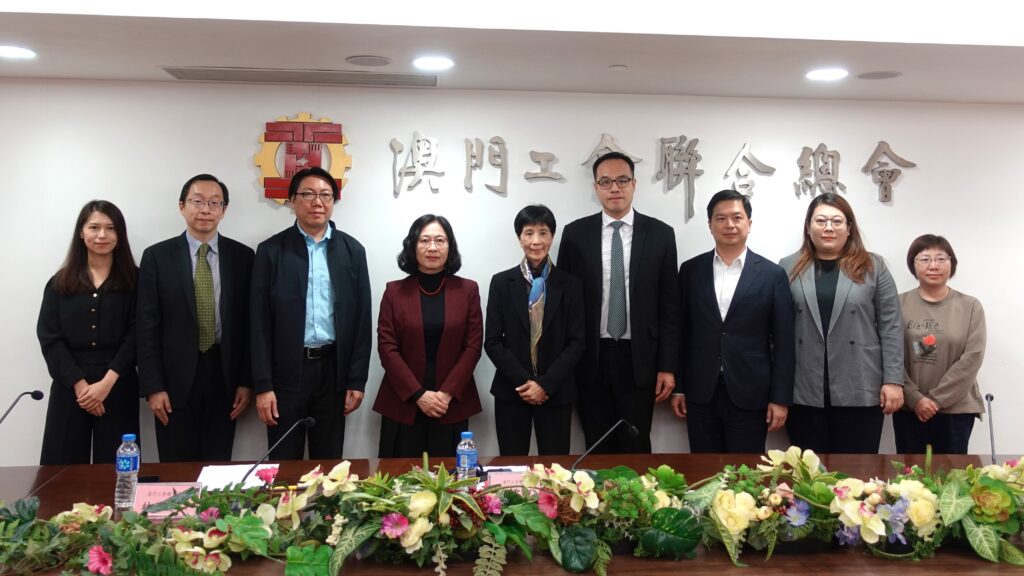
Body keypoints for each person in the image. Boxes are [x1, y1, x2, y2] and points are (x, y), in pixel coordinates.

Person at [558, 151, 680, 454]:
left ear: (634, 184)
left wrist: (667, 366)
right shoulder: (575, 234)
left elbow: (670, 307)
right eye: (606, 182)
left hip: (640, 358)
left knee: (636, 444)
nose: (614, 188)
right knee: (595, 446)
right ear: (596, 187)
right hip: (590, 357)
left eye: (622, 180)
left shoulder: (661, 234)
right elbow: (563, 305)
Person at [251, 166, 371, 460]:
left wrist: (356, 380)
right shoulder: (271, 251)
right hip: (285, 374)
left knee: (329, 465)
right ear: (292, 200)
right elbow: (258, 323)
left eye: (325, 195)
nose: (318, 202)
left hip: (333, 372)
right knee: (283, 464)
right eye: (308, 194)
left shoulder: (352, 251)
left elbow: (361, 321)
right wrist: (263, 385)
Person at [137, 174, 254, 462]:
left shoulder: (243, 257)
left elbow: (250, 326)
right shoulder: (157, 257)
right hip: (173, 382)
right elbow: (146, 327)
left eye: (214, 203)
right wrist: (153, 387)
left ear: (224, 210)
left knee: (218, 465)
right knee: (175, 468)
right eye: (197, 201)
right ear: (182, 206)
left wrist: (246, 381)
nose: (205, 209)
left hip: (225, 378)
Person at [779, 193, 904, 454]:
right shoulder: (788, 266)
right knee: (808, 471)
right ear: (808, 226)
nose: (828, 228)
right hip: (803, 388)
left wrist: (893, 380)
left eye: (836, 221)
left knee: (858, 470)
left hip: (860, 384)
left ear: (849, 228)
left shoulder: (873, 266)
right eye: (821, 221)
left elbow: (891, 325)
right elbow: (777, 330)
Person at [672, 190, 795, 453]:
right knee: (703, 470)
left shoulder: (772, 275)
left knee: (746, 471)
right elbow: (681, 332)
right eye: (721, 218)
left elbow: (784, 342)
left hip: (751, 393)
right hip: (700, 391)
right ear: (710, 225)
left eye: (737, 217)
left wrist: (780, 398)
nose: (729, 224)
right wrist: (679, 388)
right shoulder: (690, 270)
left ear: (749, 223)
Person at [37, 200, 139, 464]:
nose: (102, 235)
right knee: (61, 467)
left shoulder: (136, 280)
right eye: (94, 227)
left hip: (118, 382)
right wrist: (80, 386)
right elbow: (50, 337)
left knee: (118, 468)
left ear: (120, 234)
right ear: (81, 233)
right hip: (70, 385)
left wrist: (106, 383)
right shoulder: (60, 282)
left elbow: (137, 334)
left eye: (110, 228)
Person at [373, 215, 483, 458]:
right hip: (403, 402)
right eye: (424, 240)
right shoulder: (394, 291)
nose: (432, 247)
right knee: (400, 477)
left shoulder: (468, 290)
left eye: (440, 240)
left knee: (450, 477)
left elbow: (473, 346)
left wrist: (445, 394)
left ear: (449, 246)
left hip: (450, 404)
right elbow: (387, 348)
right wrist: (418, 394)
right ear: (413, 246)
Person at [485, 205, 585, 456]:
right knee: (511, 465)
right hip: (512, 390)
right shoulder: (501, 282)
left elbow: (577, 342)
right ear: (519, 238)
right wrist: (524, 383)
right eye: (528, 233)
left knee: (555, 469)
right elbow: (493, 341)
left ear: (552, 237)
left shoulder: (571, 285)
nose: (536, 241)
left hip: (556, 391)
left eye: (543, 233)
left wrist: (545, 384)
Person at [896, 235, 985, 454]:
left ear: (951, 263)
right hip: (910, 408)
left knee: (953, 473)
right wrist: (915, 398)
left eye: (941, 259)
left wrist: (935, 400)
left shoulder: (970, 306)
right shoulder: (897, 304)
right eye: (925, 259)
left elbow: (972, 358)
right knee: (909, 474)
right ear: (913, 265)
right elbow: (889, 355)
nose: (933, 265)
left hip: (956, 409)